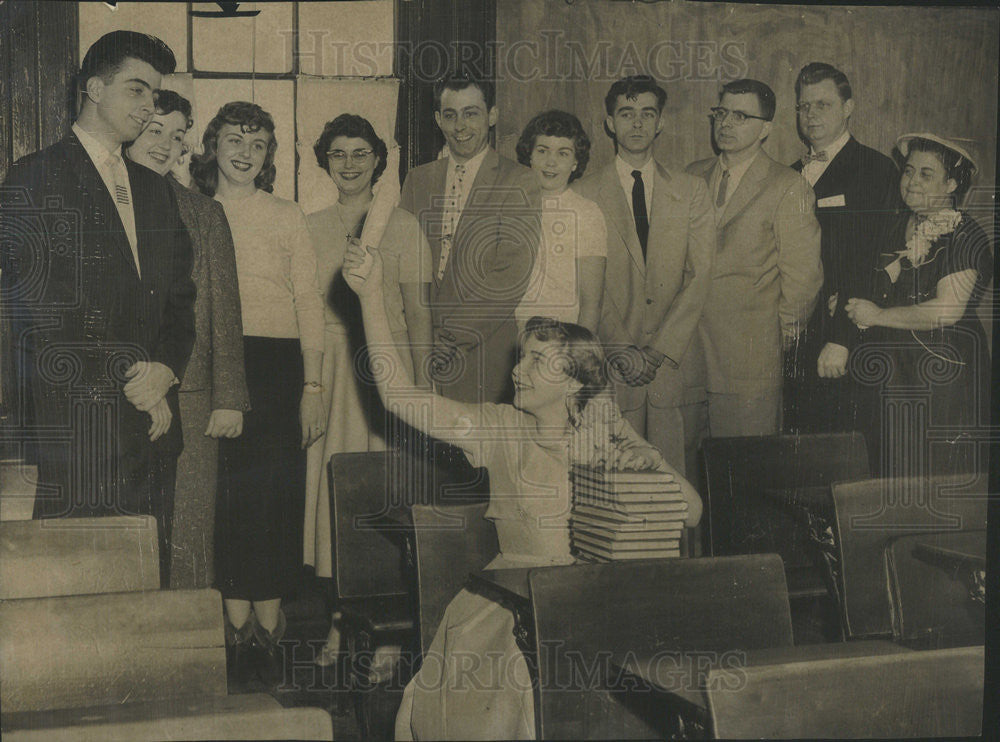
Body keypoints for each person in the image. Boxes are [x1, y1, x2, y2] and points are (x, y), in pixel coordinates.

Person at [340, 239, 702, 740]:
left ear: (575, 381)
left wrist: (653, 462)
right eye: (522, 357)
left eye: (537, 361)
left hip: (596, 601)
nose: (517, 369)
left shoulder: (604, 427)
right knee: (521, 686)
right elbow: (399, 396)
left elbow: (693, 513)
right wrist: (369, 297)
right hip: (509, 606)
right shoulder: (497, 429)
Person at [0, 31, 195, 587]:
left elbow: (181, 298)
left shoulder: (154, 189)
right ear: (93, 87)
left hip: (153, 426)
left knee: (145, 588)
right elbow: (48, 311)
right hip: (79, 424)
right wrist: (134, 380)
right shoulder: (33, 177)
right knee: (80, 596)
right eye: (137, 89)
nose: (148, 107)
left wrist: (165, 371)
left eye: (155, 96)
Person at [189, 101, 325, 684]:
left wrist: (313, 385)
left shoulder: (286, 214)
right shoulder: (193, 210)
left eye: (259, 145)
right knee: (226, 497)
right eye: (234, 142)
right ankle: (234, 627)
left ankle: (270, 631)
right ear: (213, 147)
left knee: (274, 496)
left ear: (269, 156)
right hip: (216, 362)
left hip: (278, 367)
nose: (245, 154)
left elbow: (309, 303)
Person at [302, 113, 433, 665]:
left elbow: (421, 311)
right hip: (333, 375)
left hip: (388, 368)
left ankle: (390, 635)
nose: (350, 163)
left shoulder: (402, 225)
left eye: (361, 153)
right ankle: (339, 623)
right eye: (339, 154)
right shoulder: (309, 226)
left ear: (379, 160)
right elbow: (306, 313)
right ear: (326, 162)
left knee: (386, 497)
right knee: (335, 496)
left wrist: (422, 386)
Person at [125, 89, 250, 590]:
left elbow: (225, 313)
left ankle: (189, 652)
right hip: (125, 391)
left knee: (190, 531)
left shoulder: (203, 213)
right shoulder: (106, 203)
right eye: (156, 130)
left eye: (178, 136)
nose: (166, 145)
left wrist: (230, 400)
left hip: (193, 400)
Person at [576, 75, 714, 478]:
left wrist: (659, 349)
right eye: (626, 113)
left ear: (660, 124)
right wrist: (621, 346)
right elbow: (586, 284)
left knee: (676, 485)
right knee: (616, 484)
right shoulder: (583, 194)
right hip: (613, 366)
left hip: (673, 367)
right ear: (609, 122)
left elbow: (700, 274)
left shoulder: (692, 191)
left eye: (647, 114)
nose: (636, 123)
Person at [845, 134, 992, 478]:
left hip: (944, 376)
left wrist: (878, 315)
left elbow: (946, 310)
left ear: (952, 183)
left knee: (937, 474)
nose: (911, 182)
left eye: (926, 174)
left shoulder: (965, 234)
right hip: (896, 372)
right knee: (894, 470)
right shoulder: (898, 226)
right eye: (908, 171)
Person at [686, 79, 822, 439]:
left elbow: (803, 280)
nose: (727, 123)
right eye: (722, 113)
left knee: (743, 472)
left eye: (741, 116)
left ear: (766, 128)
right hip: (687, 355)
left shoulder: (787, 186)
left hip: (749, 358)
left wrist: (773, 340)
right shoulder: (690, 176)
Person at [399, 71, 540, 405]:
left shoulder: (519, 181)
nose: (460, 126)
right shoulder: (417, 180)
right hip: (419, 350)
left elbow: (510, 276)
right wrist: (420, 341)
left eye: (471, 113)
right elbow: (402, 265)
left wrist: (448, 339)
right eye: (450, 115)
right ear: (437, 120)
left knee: (481, 453)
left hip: (484, 350)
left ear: (492, 115)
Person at [783, 62, 903, 435]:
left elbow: (868, 259)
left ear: (848, 108)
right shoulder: (788, 173)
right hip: (796, 333)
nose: (812, 115)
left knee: (841, 444)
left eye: (823, 105)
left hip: (844, 333)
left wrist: (841, 338)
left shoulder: (874, 169)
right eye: (804, 106)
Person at [513, 109, 606, 332]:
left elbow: (591, 303)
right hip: (510, 335)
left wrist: (577, 355)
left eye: (563, 154)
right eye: (543, 151)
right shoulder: (512, 206)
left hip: (562, 336)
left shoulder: (586, 213)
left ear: (575, 162)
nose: (551, 162)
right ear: (530, 156)